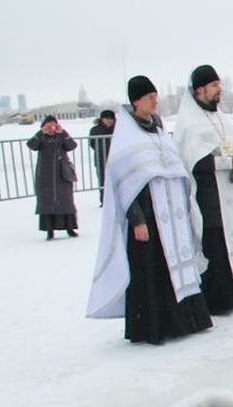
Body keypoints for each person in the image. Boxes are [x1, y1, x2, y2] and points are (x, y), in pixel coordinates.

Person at [86, 75, 212, 345]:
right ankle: (153, 327)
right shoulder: (127, 138)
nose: (155, 100)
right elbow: (125, 186)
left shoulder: (158, 130)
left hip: (172, 218)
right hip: (147, 220)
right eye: (149, 96)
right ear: (136, 101)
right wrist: (137, 221)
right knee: (151, 273)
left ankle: (185, 321)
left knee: (175, 269)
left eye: (156, 95)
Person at [175, 64, 233, 313]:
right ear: (200, 90)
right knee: (216, 241)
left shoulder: (218, 116)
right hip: (209, 195)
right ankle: (219, 299)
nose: (219, 89)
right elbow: (196, 162)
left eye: (219, 84)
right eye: (214, 85)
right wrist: (228, 162)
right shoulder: (189, 122)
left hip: (229, 191)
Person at [27, 115, 78, 240]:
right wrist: (41, 133)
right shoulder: (41, 137)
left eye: (53, 124)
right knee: (47, 201)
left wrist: (63, 132)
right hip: (45, 174)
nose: (51, 128)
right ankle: (49, 230)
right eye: (48, 125)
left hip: (62, 173)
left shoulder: (61, 136)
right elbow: (31, 145)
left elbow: (72, 145)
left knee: (65, 200)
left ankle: (70, 228)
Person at [88, 110, 115, 207]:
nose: (109, 120)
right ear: (101, 119)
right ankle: (104, 201)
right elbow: (92, 143)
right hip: (100, 159)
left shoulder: (118, 129)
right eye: (106, 118)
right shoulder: (95, 130)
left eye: (111, 118)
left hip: (115, 159)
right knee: (102, 180)